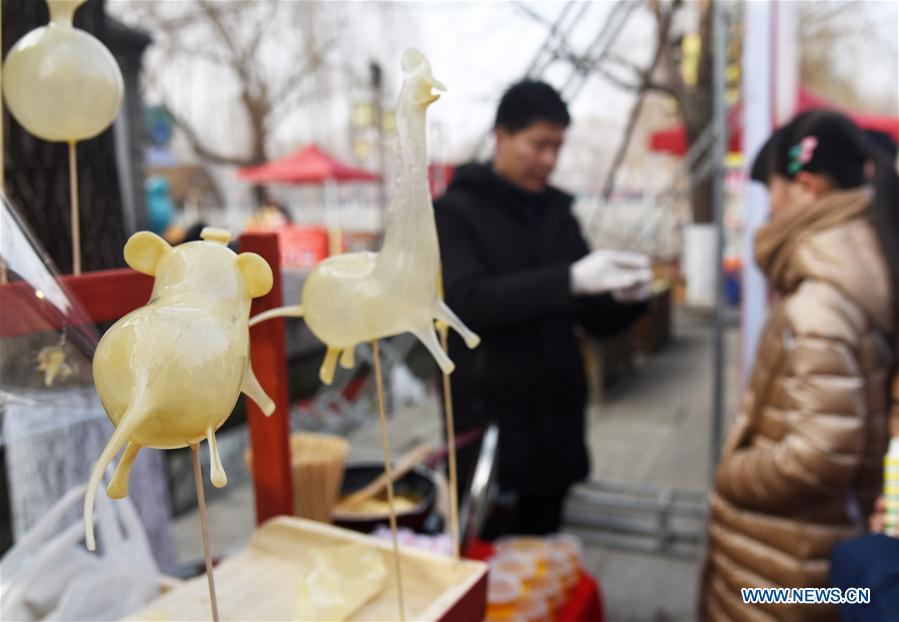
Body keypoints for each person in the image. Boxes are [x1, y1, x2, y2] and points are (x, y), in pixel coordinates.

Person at [699, 110, 899, 621]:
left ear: (806, 187)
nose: (770, 213)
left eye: (773, 194)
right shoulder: (862, 269)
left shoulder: (820, 303)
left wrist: (731, 473)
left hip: (782, 574)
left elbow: (819, 453)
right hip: (813, 553)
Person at [434, 80, 652, 538]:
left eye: (557, 147)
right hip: (490, 428)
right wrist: (569, 279)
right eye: (538, 144)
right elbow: (465, 303)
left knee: (545, 560)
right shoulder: (454, 213)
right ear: (501, 137)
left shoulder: (557, 213)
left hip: (556, 426)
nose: (549, 160)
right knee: (490, 566)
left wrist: (627, 298)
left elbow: (588, 315)